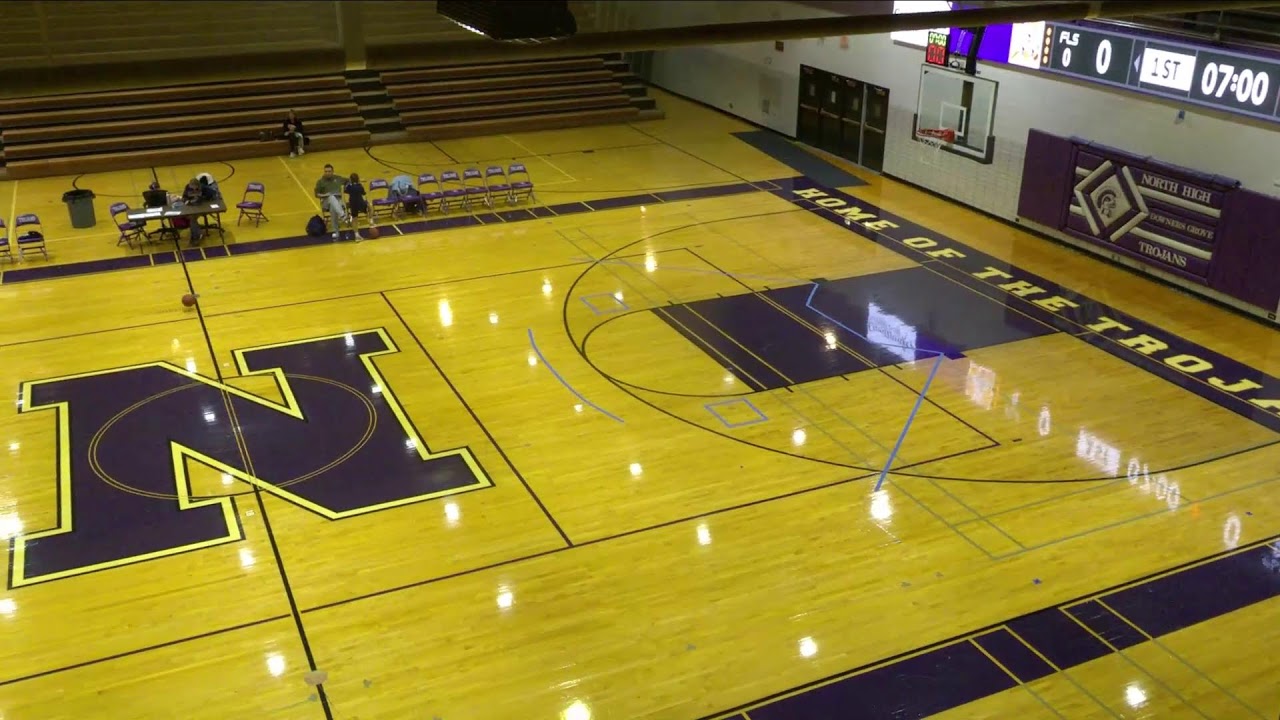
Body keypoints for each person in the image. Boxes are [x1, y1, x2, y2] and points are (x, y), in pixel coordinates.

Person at [314, 164, 348, 239]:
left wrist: (344, 189)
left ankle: (336, 232)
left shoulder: (338, 178)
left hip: (338, 200)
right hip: (326, 201)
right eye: (326, 171)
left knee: (333, 208)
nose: (327, 173)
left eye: (329, 171)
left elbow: (348, 181)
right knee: (331, 197)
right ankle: (343, 215)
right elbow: (316, 194)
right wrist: (326, 195)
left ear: (333, 171)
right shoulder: (320, 182)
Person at [345, 173, 368, 237]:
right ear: (358, 179)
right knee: (370, 207)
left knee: (354, 218)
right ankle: (371, 222)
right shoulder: (360, 186)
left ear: (350, 180)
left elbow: (345, 191)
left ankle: (356, 234)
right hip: (361, 203)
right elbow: (364, 193)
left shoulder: (349, 186)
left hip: (353, 204)